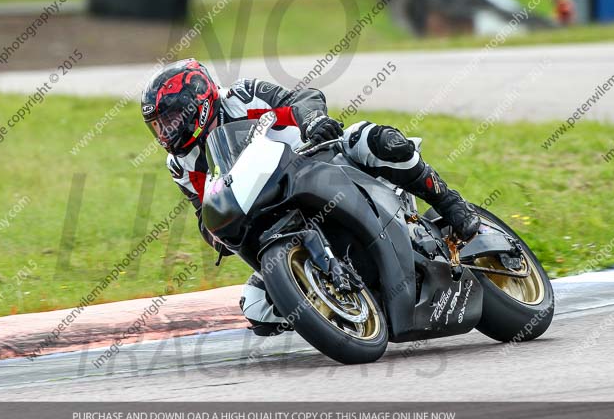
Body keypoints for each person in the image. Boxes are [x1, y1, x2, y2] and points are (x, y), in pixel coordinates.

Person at [141, 59, 480, 335]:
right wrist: (216, 232)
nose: (166, 132)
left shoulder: (243, 96)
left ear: (198, 101)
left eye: (171, 119)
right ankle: (334, 309)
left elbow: (301, 98)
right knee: (258, 307)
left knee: (373, 139)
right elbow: (203, 211)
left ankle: (449, 203)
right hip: (269, 215)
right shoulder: (181, 164)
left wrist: (313, 121)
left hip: (316, 161)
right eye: (158, 125)